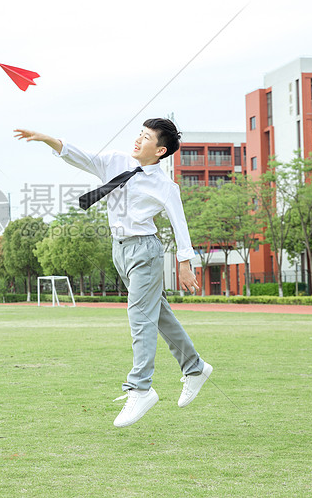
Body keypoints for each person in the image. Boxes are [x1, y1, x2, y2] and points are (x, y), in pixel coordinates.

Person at [14, 119, 211, 427]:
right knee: (156, 314)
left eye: (145, 138)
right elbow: (81, 156)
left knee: (139, 315)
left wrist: (185, 264)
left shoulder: (165, 186)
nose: (138, 140)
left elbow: (179, 224)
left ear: (159, 150)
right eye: (139, 134)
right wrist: (47, 139)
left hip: (145, 251)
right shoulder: (117, 161)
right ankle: (195, 367)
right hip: (119, 250)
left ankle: (140, 388)